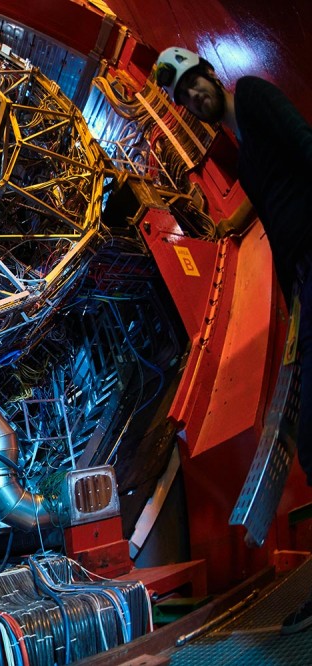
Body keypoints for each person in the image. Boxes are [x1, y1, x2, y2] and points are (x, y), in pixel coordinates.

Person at [154, 47, 312, 635]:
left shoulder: (255, 95)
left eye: (195, 85)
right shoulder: (242, 162)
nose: (194, 98)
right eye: (185, 97)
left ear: (208, 74)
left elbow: (306, 145)